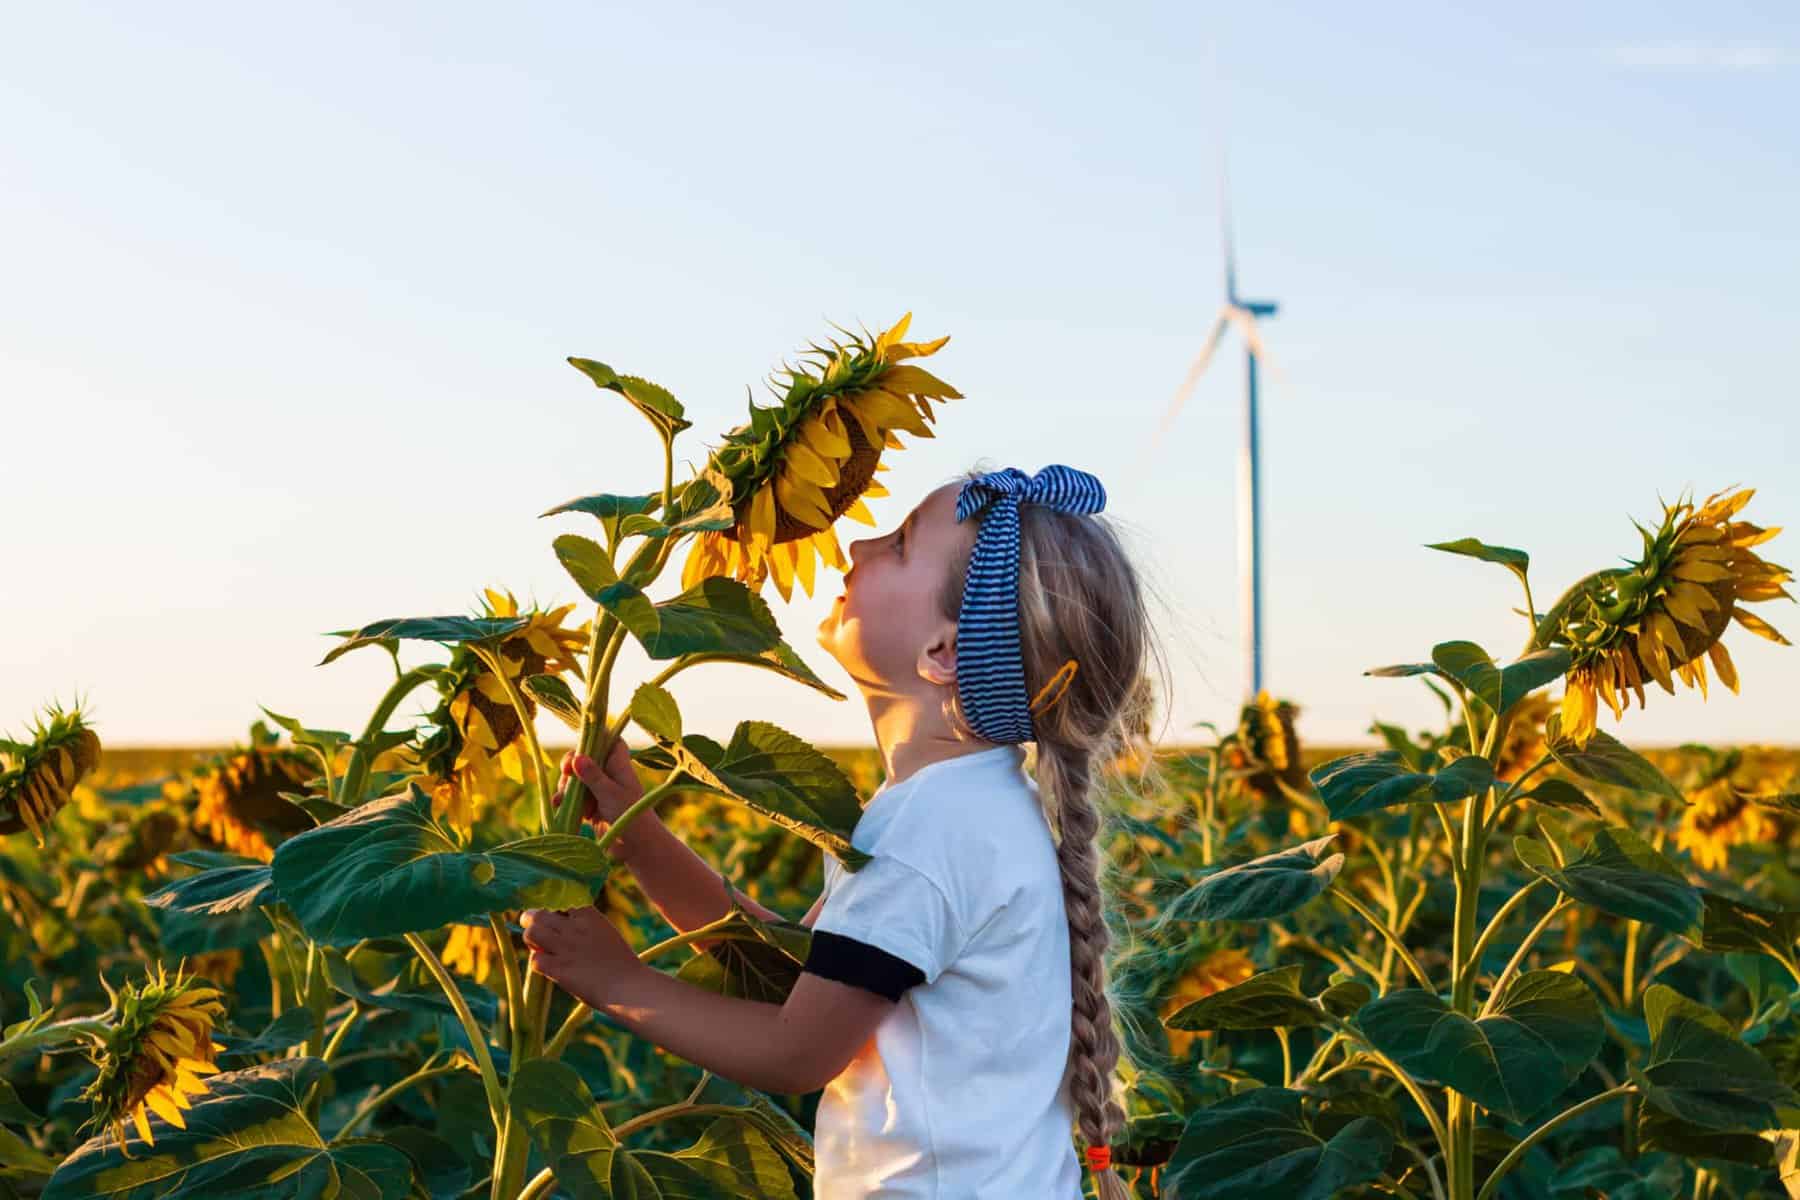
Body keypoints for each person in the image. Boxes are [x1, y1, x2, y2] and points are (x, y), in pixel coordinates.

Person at [522, 463, 1168, 1199]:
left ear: (943, 653)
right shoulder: (963, 807)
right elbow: (800, 976)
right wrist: (643, 840)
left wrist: (616, 981)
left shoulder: (934, 828)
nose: (857, 546)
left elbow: (797, 1050)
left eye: (896, 545)